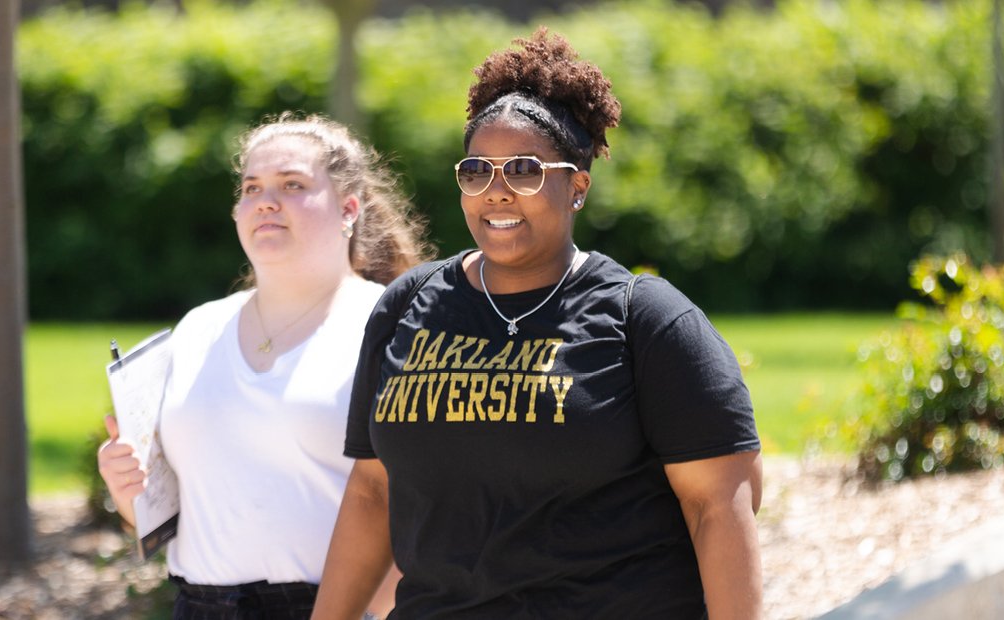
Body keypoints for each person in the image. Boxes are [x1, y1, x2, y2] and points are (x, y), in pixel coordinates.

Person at [313, 28, 764, 619]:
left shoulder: (647, 320)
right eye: (476, 171)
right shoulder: (407, 306)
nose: (496, 192)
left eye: (524, 170)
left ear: (576, 187)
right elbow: (373, 492)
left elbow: (720, 507)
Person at [96, 113, 430, 618]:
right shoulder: (198, 329)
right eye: (252, 188)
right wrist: (128, 491)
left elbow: (427, 510)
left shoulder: (391, 327)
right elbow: (177, 509)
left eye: (292, 184)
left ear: (349, 208)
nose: (266, 201)